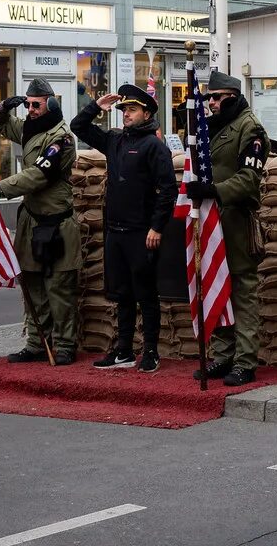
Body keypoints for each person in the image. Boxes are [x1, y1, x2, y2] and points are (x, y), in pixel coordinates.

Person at [70, 84, 177, 373]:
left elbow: (168, 190)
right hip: (115, 232)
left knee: (146, 293)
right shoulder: (115, 141)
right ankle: (124, 350)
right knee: (122, 295)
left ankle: (151, 351)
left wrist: (156, 227)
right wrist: (96, 106)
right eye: (123, 110)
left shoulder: (154, 147)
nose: (125, 114)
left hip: (140, 232)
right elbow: (78, 126)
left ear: (146, 113)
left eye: (131, 110)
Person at [0, 79, 80, 365]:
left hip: (58, 223)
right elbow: (1, 124)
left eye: (36, 104)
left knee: (59, 289)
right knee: (33, 286)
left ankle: (64, 345)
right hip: (32, 222)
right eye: (27, 104)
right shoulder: (29, 130)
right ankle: (37, 343)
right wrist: (1, 108)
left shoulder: (61, 139)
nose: (31, 109)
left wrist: (0, 188)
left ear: (50, 103)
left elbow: (38, 175)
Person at [187, 71, 270, 387]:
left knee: (242, 292)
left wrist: (214, 191)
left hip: (236, 221)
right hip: (212, 222)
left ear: (233, 97)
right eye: (209, 98)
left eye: (218, 98)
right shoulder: (212, 127)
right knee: (215, 289)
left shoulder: (250, 129)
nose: (211, 103)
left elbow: (249, 180)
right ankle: (222, 357)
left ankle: (245, 361)